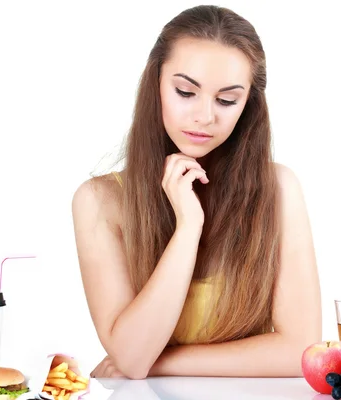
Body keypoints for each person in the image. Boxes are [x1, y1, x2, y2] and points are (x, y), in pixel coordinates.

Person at [72, 5, 321, 380]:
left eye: (226, 100)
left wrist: (162, 362)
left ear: (249, 104)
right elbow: (131, 357)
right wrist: (188, 227)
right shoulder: (99, 202)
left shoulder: (279, 190)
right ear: (154, 83)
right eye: (185, 91)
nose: (205, 116)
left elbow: (300, 350)